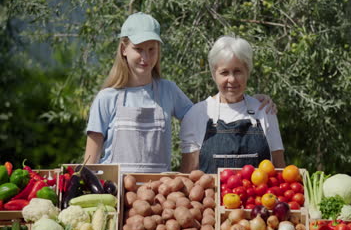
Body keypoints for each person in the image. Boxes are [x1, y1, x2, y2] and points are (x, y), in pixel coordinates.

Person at [84, 12, 275, 173]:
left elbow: (203, 117)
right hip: (114, 193)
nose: (145, 57)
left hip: (156, 195)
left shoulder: (168, 91)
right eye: (138, 49)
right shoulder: (106, 98)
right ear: (124, 49)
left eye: (152, 49)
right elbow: (90, 160)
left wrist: (247, 102)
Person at [179, 35, 285, 174]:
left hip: (258, 196)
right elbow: (189, 175)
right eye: (224, 72)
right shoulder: (197, 114)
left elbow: (280, 169)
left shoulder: (264, 110)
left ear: (247, 72)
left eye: (238, 71)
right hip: (212, 195)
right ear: (214, 74)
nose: (232, 79)